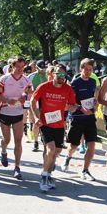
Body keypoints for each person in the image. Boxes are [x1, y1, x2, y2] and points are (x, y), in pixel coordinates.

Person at [32, 64, 77, 192]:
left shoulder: (68, 89)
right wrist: (36, 117)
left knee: (56, 152)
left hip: (59, 124)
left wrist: (71, 107)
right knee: (50, 150)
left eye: (64, 75)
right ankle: (44, 176)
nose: (62, 77)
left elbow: (72, 105)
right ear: (53, 74)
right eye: (59, 74)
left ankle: (49, 174)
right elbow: (32, 101)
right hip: (45, 123)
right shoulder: (44, 86)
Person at [61, 58, 99, 181]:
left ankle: (85, 170)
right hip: (77, 117)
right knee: (74, 145)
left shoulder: (93, 82)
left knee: (91, 145)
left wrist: (95, 104)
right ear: (81, 69)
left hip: (90, 117)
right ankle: (67, 158)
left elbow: (94, 98)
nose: (88, 72)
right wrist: (80, 108)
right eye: (86, 69)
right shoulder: (75, 83)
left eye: (90, 69)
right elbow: (70, 102)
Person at [0, 56, 32, 179]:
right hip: (5, 112)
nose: (20, 69)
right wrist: (7, 100)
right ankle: (4, 152)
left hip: (18, 113)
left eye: (22, 67)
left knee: (18, 140)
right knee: (7, 139)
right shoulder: (4, 78)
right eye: (18, 67)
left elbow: (28, 92)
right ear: (12, 66)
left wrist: (24, 96)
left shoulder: (26, 80)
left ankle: (17, 167)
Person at [27, 60, 47, 152]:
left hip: (47, 102)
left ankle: (45, 139)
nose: (43, 70)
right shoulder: (31, 76)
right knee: (36, 121)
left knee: (47, 121)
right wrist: (35, 92)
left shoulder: (49, 75)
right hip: (36, 101)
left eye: (44, 68)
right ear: (36, 68)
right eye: (41, 68)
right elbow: (26, 90)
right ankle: (35, 142)